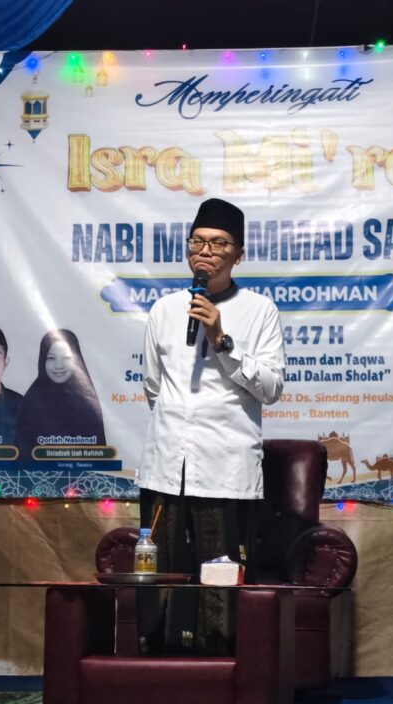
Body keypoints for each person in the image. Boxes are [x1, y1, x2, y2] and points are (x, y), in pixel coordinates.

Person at [137, 197, 285, 654]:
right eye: (198, 241)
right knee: (157, 575)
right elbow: (153, 386)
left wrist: (222, 340)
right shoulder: (164, 309)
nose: (206, 251)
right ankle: (155, 664)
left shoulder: (260, 310)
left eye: (219, 243)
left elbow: (271, 388)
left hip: (225, 468)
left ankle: (221, 666)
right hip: (165, 468)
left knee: (221, 580)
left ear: (238, 255)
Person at [14, 329, 107, 461]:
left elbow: (99, 457)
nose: (58, 366)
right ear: (43, 360)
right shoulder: (30, 403)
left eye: (66, 358)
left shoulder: (88, 402)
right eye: (51, 358)